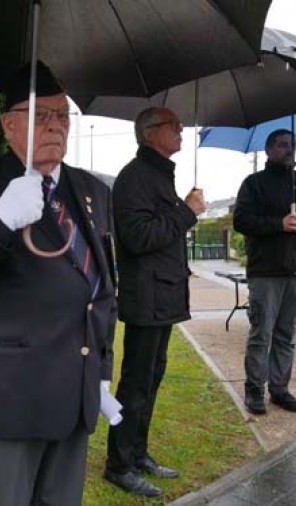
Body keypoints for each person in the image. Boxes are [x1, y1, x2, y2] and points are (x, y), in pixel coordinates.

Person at [0, 62, 117, 506]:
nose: (55, 126)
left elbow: (102, 290)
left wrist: (102, 372)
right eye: (40, 116)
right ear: (8, 125)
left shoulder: (92, 191)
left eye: (63, 116)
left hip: (76, 392)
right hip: (11, 392)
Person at [104, 107, 206, 497]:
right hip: (146, 296)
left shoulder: (157, 175)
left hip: (162, 294)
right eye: (173, 125)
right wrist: (187, 211)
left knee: (152, 378)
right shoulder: (134, 178)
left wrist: (181, 208)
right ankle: (118, 465)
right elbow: (137, 238)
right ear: (150, 134)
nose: (181, 130)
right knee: (135, 384)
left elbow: (159, 230)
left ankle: (137, 452)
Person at [233, 129, 296, 416]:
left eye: (292, 145)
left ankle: (279, 388)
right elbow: (241, 220)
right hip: (266, 270)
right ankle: (254, 388)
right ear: (267, 150)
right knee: (261, 333)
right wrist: (278, 224)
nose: (288, 149)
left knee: (286, 333)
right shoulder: (254, 183)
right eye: (281, 145)